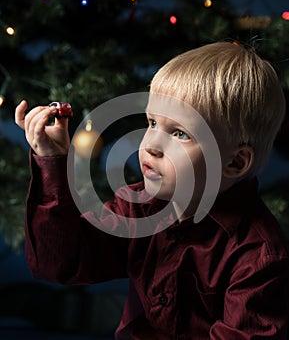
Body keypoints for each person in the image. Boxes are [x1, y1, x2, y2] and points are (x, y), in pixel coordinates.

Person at [15, 41, 289, 339]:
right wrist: (52, 161)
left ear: (235, 162)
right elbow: (61, 263)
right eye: (152, 123)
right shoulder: (140, 207)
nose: (150, 145)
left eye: (180, 133)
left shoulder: (258, 257)